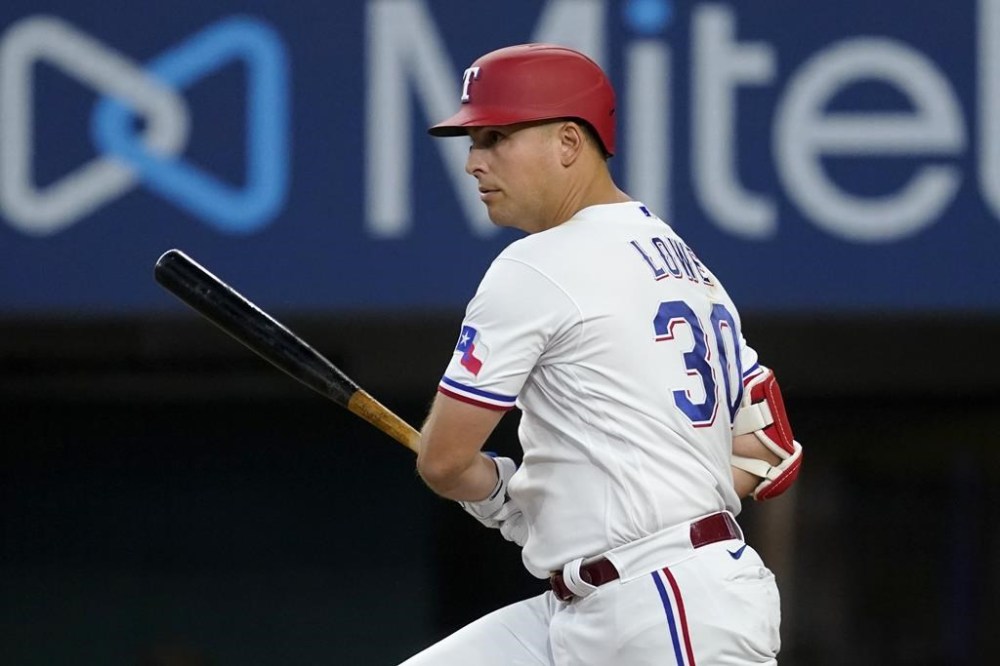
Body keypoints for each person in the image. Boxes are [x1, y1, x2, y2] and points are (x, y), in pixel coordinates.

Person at [403, 43, 803, 666]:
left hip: (666, 603)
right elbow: (769, 452)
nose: (474, 162)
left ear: (568, 142)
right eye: (473, 141)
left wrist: (504, 498)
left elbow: (444, 462)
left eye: (495, 136)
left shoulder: (536, 265)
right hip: (604, 601)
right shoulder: (688, 265)